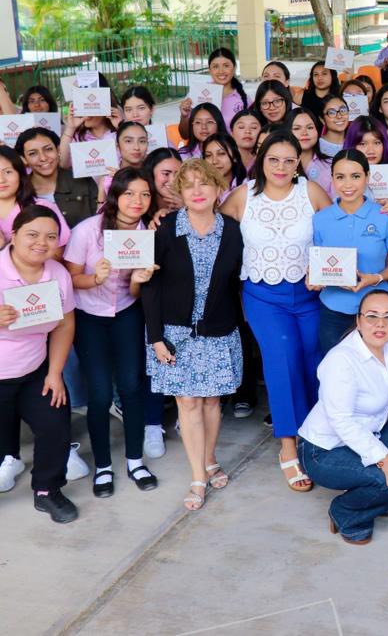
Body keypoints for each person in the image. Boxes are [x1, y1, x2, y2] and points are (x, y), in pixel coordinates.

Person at [220, 132, 332, 493]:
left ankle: (318, 438)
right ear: (261, 160)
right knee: (281, 360)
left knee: (316, 361)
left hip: (312, 294)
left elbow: (337, 232)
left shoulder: (312, 192)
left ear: (298, 161)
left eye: (289, 160)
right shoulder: (242, 196)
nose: (281, 167)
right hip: (264, 296)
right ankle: (289, 444)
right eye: (274, 159)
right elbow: (212, 231)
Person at [142, 160, 243, 511]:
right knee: (187, 402)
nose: (197, 191)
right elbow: (150, 286)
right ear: (180, 194)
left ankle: (210, 457)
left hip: (218, 330)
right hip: (175, 332)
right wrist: (155, 336)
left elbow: (234, 284)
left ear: (218, 190)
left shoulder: (231, 231)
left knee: (212, 401)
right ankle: (198, 476)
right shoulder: (166, 229)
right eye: (189, 186)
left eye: (205, 184)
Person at [297, 290, 388, 544]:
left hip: (369, 435)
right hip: (324, 450)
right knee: (386, 478)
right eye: (371, 316)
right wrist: (384, 458)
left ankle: (378, 499)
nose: (380, 324)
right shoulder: (341, 360)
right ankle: (346, 512)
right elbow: (342, 421)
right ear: (359, 321)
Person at [65, 170, 159, 498]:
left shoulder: (147, 233)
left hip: (127, 315)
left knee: (132, 386)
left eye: (145, 195)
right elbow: (70, 278)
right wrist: (96, 278)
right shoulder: (88, 230)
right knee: (101, 393)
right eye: (130, 194)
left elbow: (133, 292)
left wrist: (140, 278)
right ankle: (104, 466)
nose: (138, 201)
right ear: (116, 195)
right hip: (90, 316)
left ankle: (135, 460)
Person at [0, 205, 78, 522]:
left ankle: (47, 491)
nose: (41, 243)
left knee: (55, 422)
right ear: (14, 235)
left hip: (34, 370)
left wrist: (55, 373)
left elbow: (64, 325)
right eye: (32, 234)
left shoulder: (57, 273)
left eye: (50, 237)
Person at [309, 150, 388, 352]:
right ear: (332, 178)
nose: (348, 184)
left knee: (378, 372)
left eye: (356, 176)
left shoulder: (385, 216)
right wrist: (313, 278)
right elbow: (318, 264)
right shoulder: (320, 219)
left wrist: (375, 278)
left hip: (377, 312)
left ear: (367, 177)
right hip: (334, 310)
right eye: (340, 177)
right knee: (336, 374)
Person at [178, 48, 248, 142]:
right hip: (200, 154)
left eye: (226, 66)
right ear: (210, 70)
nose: (221, 71)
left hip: (231, 153)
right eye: (215, 66)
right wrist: (184, 117)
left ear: (234, 68)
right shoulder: (196, 93)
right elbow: (185, 135)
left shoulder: (243, 99)